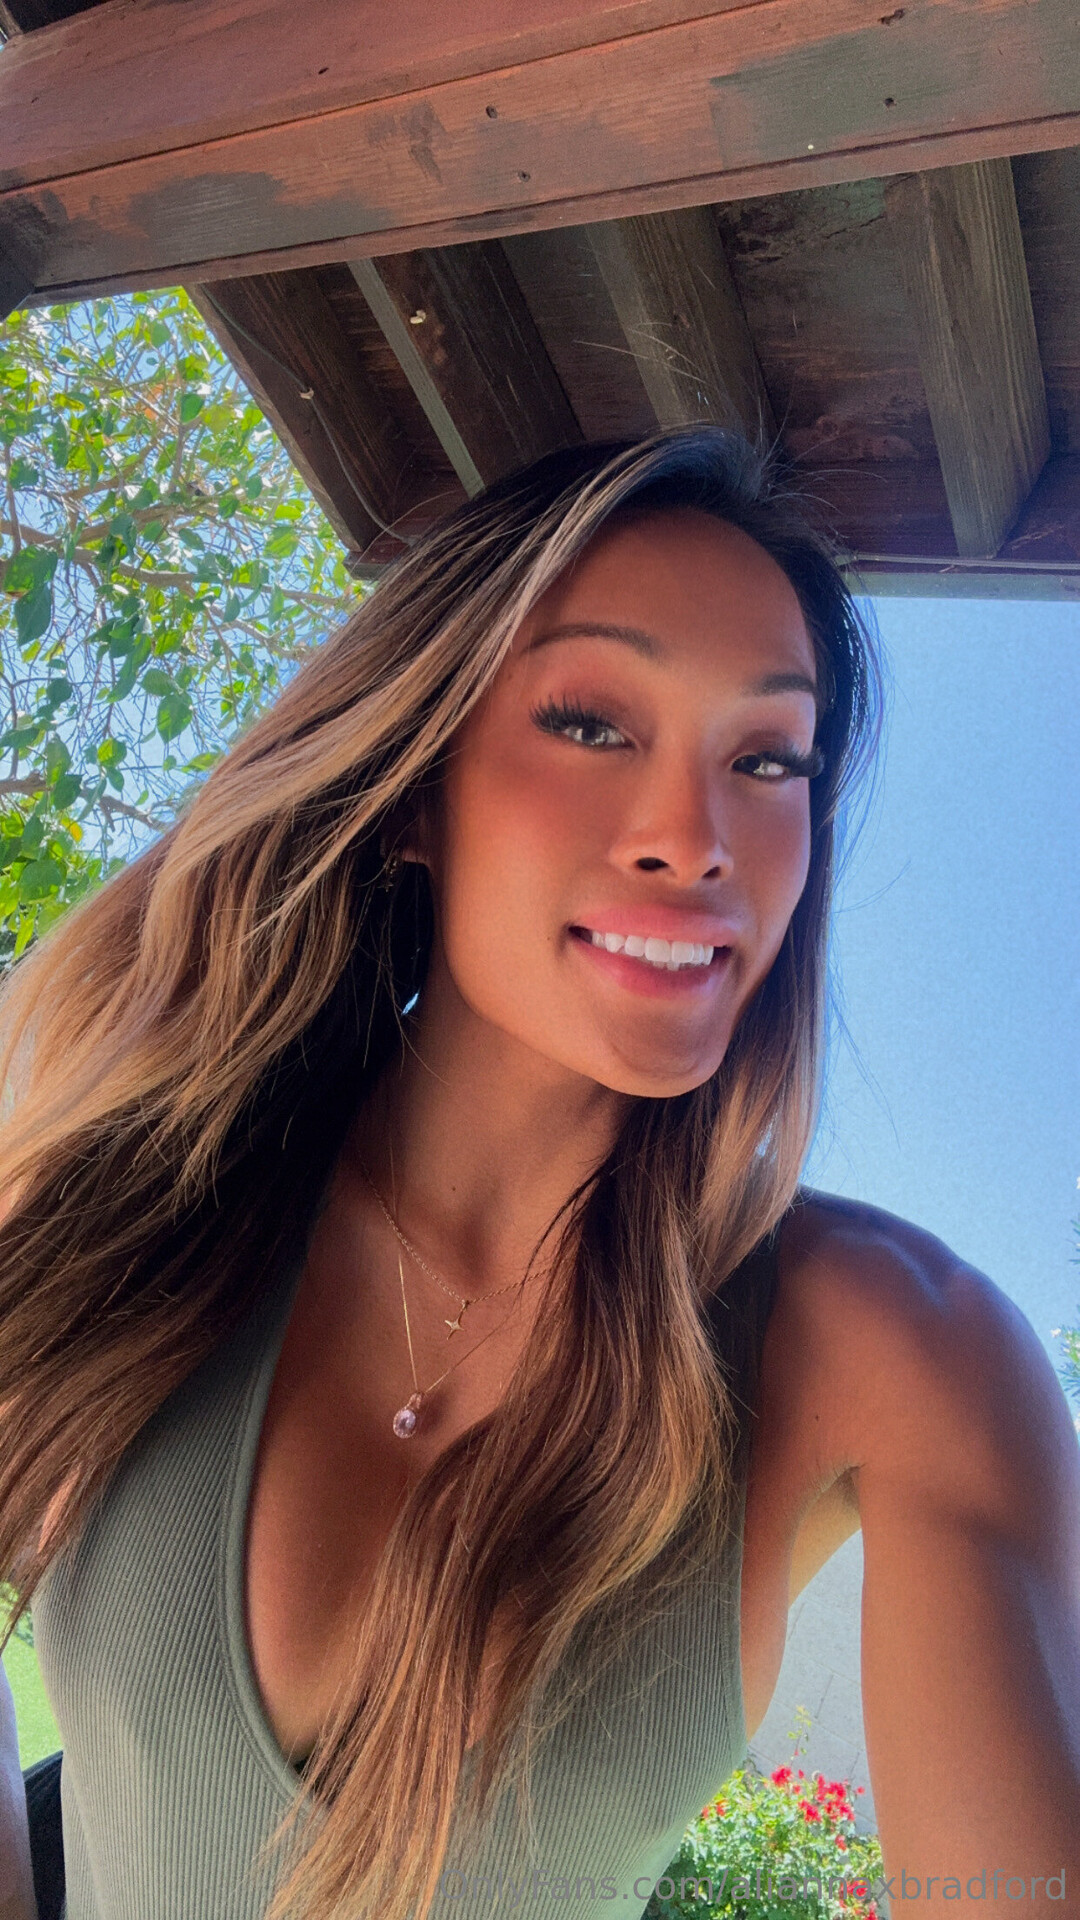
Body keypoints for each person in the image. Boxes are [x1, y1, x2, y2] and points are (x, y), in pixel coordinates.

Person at [1, 428, 1078, 1920]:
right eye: (589, 724)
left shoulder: (911, 1354)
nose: (695, 839)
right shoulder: (127, 1198)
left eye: (768, 758)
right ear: (416, 788)